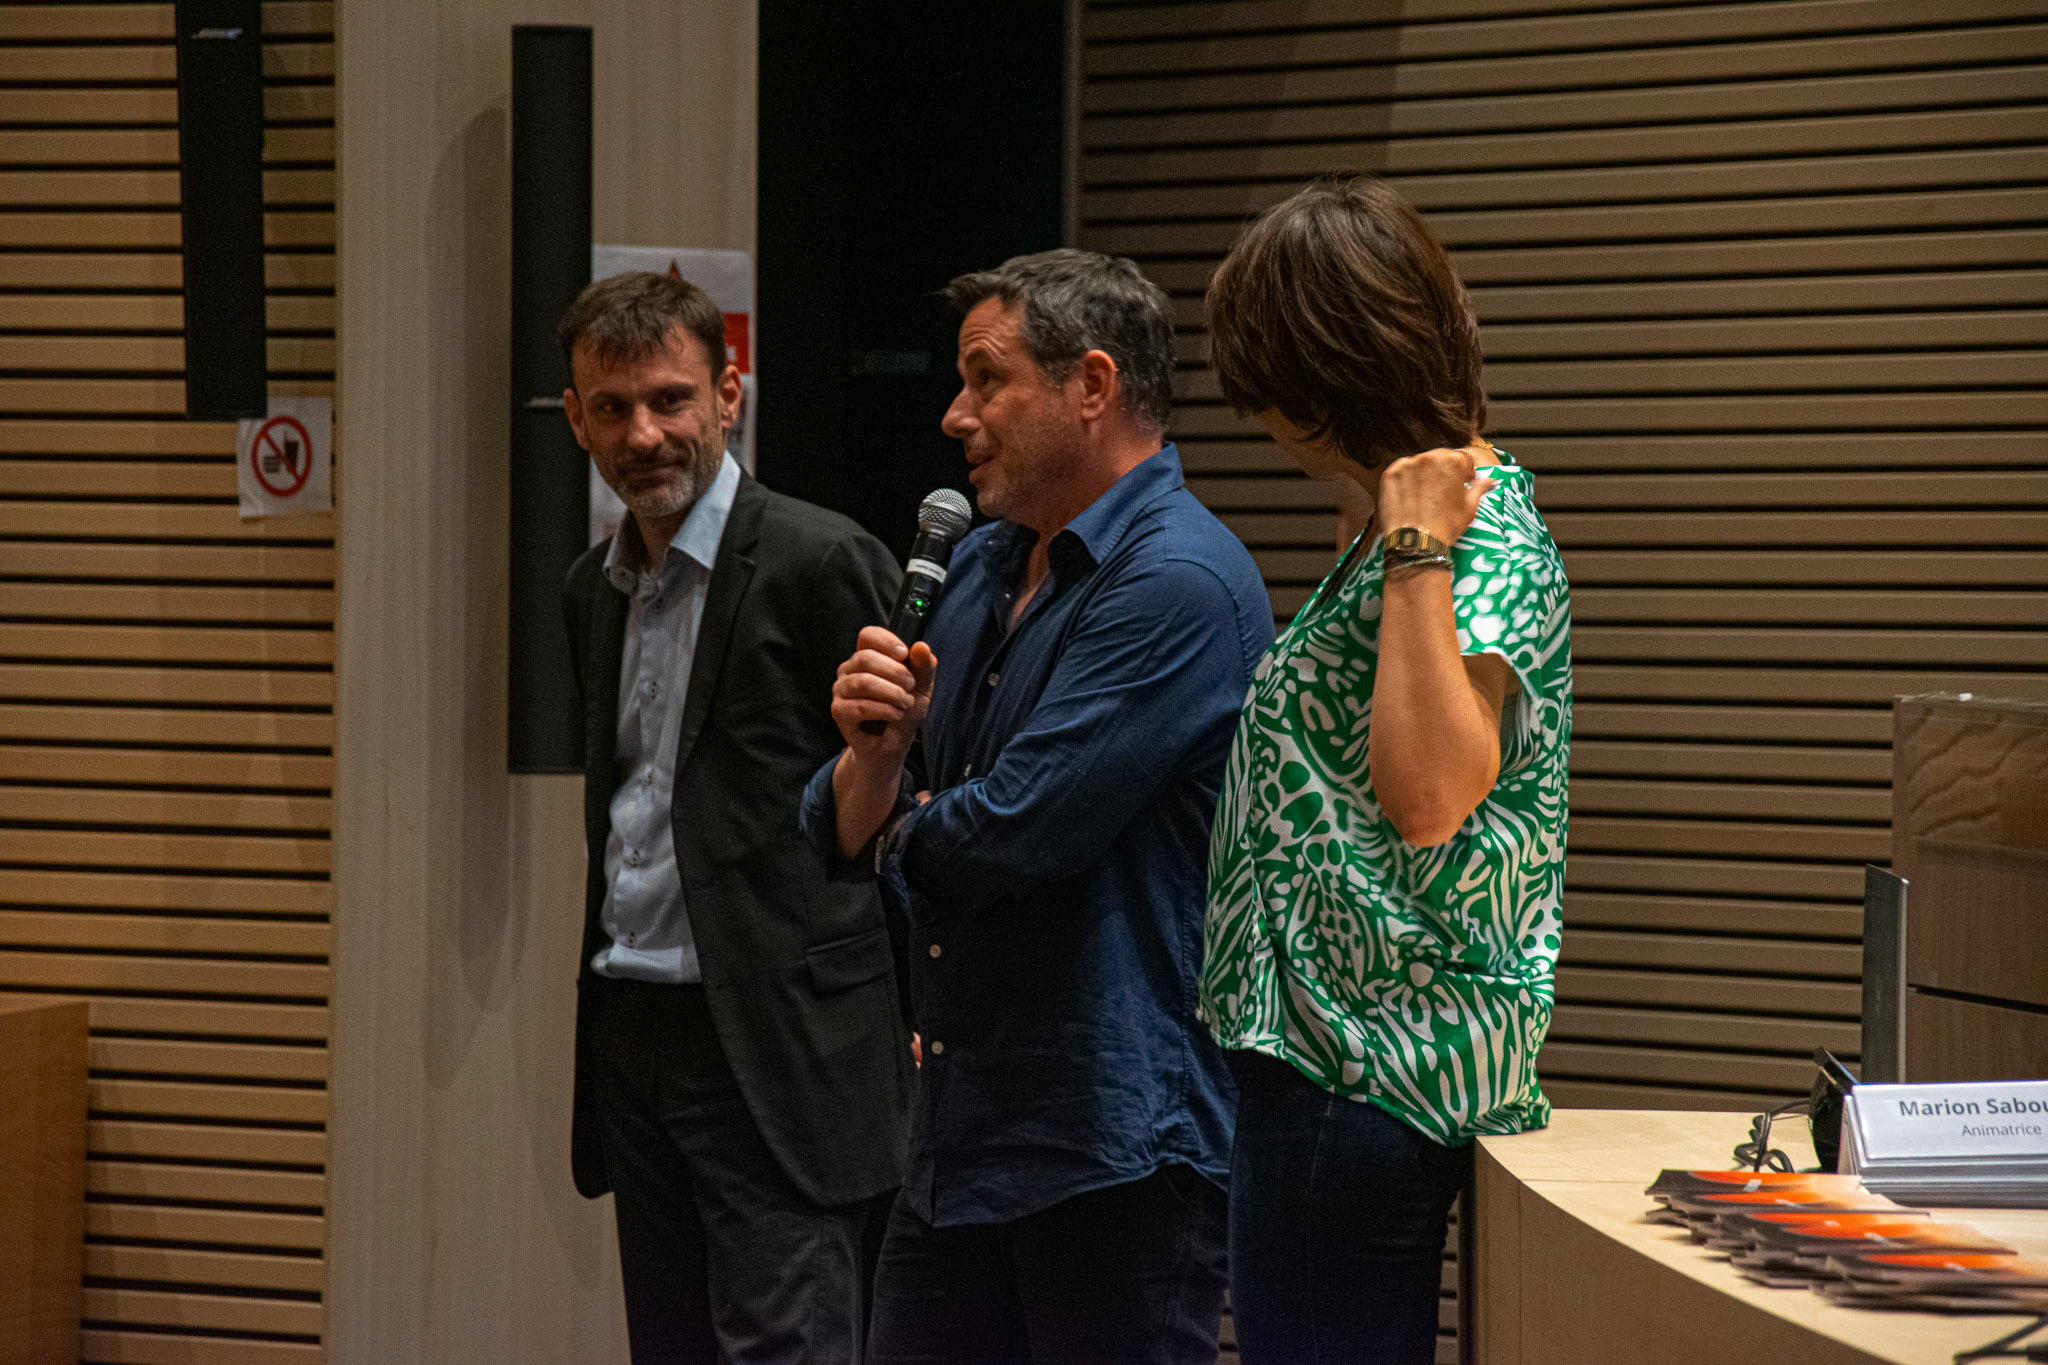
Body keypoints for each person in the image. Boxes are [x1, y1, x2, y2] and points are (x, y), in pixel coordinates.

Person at [797, 249, 1273, 1364]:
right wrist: (876, 769)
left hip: (1116, 1152)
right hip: (960, 1137)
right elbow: (836, 813)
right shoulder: (976, 566)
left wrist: (889, 814)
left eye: (986, 380)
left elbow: (1011, 833)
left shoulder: (1179, 580)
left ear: (1091, 385)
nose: (955, 416)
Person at [1198, 176, 1573, 1365]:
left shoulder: (1469, 535)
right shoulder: (1401, 527)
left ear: (1318, 382)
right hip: (1331, 1059)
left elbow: (1426, 797)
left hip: (1362, 1067)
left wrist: (1409, 546)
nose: (1262, 420)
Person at [557, 271, 912, 1365]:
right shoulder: (589, 589)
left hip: (778, 1047)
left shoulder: (820, 559)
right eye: (612, 408)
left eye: (670, 399)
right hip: (632, 1030)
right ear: (575, 419)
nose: (644, 434)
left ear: (728, 395)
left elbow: (908, 799)